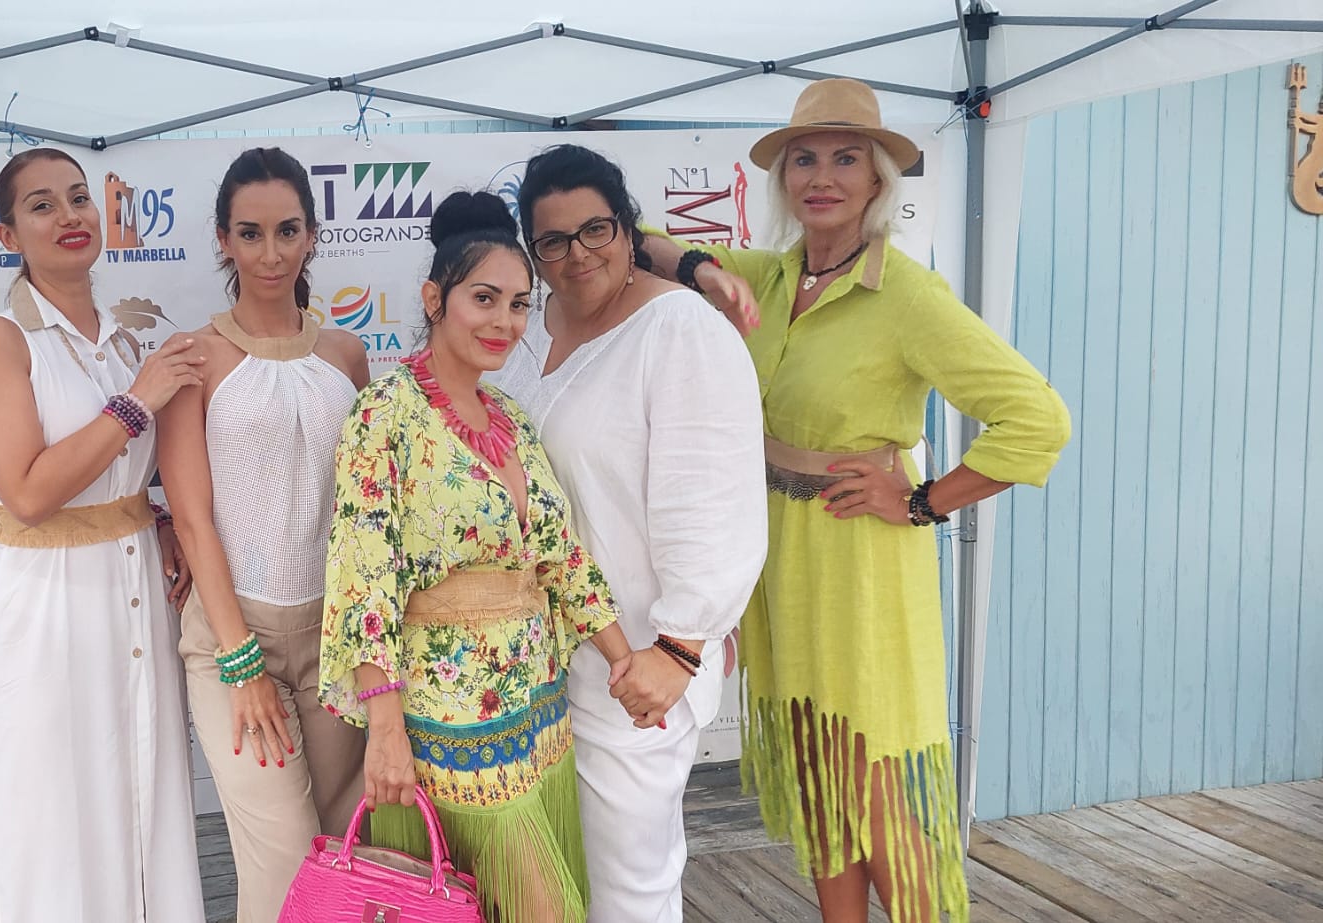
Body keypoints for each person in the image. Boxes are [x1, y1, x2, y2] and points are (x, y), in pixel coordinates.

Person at [636, 78, 1073, 923]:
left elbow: (1038, 418)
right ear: (783, 178)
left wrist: (922, 501)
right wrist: (700, 267)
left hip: (863, 567)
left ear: (878, 180)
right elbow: (636, 239)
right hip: (782, 564)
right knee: (820, 779)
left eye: (846, 159)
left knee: (879, 792)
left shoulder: (905, 293)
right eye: (804, 159)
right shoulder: (768, 278)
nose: (823, 177)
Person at [320, 190, 652, 923]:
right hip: (451, 713)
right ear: (433, 299)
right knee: (537, 907)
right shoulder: (386, 412)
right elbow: (362, 578)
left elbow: (558, 555)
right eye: (484, 298)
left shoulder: (511, 417)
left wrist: (623, 659)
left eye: (519, 304)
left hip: (533, 701)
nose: (505, 321)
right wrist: (385, 731)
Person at [487, 143, 768, 923]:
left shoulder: (680, 330)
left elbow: (713, 501)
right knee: (548, 890)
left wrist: (679, 645)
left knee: (628, 892)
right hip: (528, 668)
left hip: (633, 669)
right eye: (553, 241)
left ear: (627, 227)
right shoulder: (524, 326)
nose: (578, 255)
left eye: (596, 230)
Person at [0, 147, 210, 923]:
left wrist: (157, 519)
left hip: (132, 585)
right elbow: (29, 492)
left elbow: (117, 481)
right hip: (45, 601)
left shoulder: (127, 340)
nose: (69, 216)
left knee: (138, 788)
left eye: (78, 198)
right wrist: (135, 403)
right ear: (9, 235)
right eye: (42, 205)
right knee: (43, 806)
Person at [153, 147, 370, 922]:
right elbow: (192, 517)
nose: (271, 253)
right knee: (282, 863)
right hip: (231, 638)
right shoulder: (193, 359)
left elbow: (365, 511)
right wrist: (242, 660)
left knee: (340, 849)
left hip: (334, 641)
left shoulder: (347, 355)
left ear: (312, 234)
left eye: (287, 231)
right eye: (250, 233)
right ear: (224, 240)